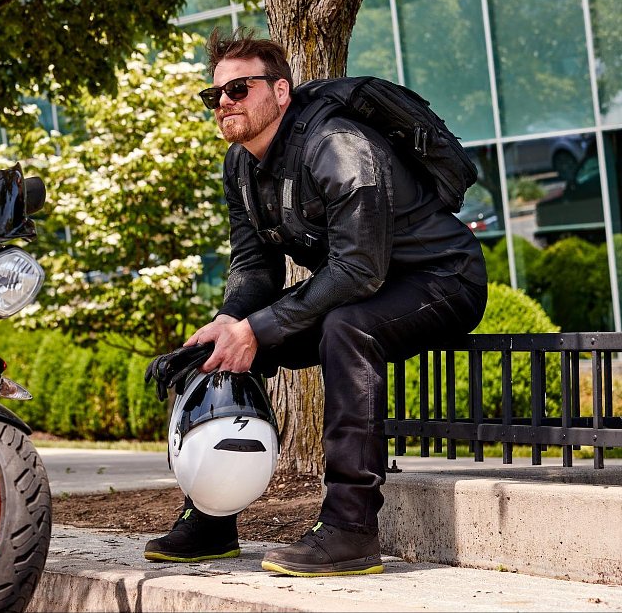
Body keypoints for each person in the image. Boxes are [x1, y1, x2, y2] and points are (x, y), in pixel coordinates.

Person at [143, 28, 488, 576]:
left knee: (347, 329)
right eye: (215, 96)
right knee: (221, 349)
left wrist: (257, 326)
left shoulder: (337, 146)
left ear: (280, 92)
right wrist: (232, 322)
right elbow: (256, 266)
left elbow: (358, 268)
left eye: (240, 90)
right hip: (363, 286)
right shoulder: (240, 166)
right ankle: (213, 515)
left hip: (442, 281)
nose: (225, 104)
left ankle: (351, 530)